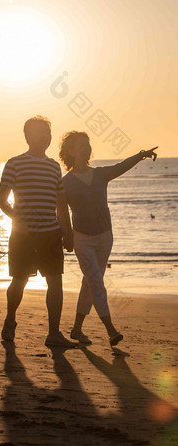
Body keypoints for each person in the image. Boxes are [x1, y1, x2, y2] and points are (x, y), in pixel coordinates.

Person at [58, 131, 157, 346]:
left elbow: (121, 166)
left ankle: (76, 329)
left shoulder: (101, 174)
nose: (85, 148)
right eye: (81, 145)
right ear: (70, 152)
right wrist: (67, 236)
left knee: (90, 282)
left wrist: (140, 155)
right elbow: (62, 213)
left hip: (105, 237)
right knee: (96, 281)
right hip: (82, 239)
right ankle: (111, 330)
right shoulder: (64, 183)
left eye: (87, 144)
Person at [0, 116, 76, 348]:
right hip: (23, 235)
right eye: (40, 133)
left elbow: (61, 204)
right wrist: (17, 218)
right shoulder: (14, 163)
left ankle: (53, 333)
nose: (45, 137)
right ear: (28, 136)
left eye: (48, 134)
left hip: (51, 234)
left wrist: (67, 232)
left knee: (55, 283)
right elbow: (1, 200)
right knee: (19, 281)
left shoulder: (53, 167)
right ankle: (10, 319)